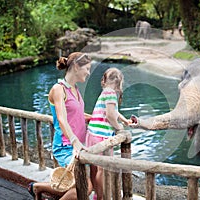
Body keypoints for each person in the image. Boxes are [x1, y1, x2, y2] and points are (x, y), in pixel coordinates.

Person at [27, 52, 93, 200]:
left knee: (73, 185)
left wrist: (102, 118)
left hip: (78, 145)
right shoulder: (58, 89)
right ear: (76, 66)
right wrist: (75, 142)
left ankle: (37, 187)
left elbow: (78, 115)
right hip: (66, 145)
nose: (88, 73)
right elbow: (62, 119)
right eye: (87, 68)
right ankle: (37, 188)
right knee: (85, 186)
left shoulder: (75, 89)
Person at [85, 68, 132, 200]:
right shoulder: (111, 93)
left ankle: (96, 193)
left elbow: (113, 111)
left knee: (94, 166)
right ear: (119, 82)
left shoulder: (105, 92)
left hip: (92, 134)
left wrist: (124, 120)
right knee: (102, 169)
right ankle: (100, 197)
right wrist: (119, 127)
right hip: (102, 136)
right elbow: (110, 115)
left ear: (104, 80)